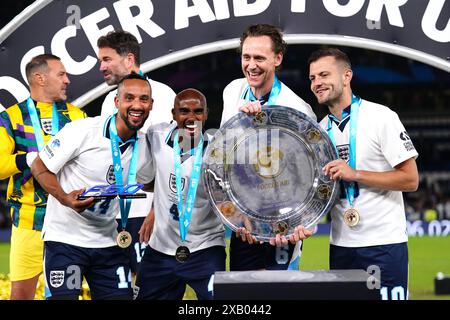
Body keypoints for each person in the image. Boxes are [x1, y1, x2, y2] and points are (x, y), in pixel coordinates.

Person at [308, 48, 419, 300]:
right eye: (312, 78)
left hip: (384, 245)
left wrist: (355, 174)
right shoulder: (317, 132)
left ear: (347, 76)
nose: (317, 83)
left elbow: (410, 179)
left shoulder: (381, 117)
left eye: (324, 75)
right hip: (341, 246)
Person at [30, 73, 153, 300]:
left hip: (109, 244)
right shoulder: (83, 131)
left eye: (144, 99)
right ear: (117, 102)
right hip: (67, 242)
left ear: (151, 105)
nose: (137, 105)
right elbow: (39, 166)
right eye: (129, 98)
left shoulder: (145, 145)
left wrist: (155, 212)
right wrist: (64, 197)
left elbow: (153, 182)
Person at [220, 24, 315, 271]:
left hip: (281, 225)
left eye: (259, 58)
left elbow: (308, 174)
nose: (251, 65)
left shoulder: (297, 110)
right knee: (243, 298)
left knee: (279, 290)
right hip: (245, 224)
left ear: (277, 58)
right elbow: (223, 156)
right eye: (246, 57)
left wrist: (304, 221)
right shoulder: (232, 91)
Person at [0, 54, 86, 300]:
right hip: (29, 223)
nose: (67, 80)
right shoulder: (10, 118)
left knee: (66, 296)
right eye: (61, 74)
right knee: (21, 296)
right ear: (40, 78)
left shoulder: (77, 117)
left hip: (69, 223)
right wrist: (26, 159)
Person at [135, 88, 226, 300]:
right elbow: (149, 181)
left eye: (198, 111)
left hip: (206, 246)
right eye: (184, 111)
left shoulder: (217, 150)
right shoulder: (156, 136)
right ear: (174, 114)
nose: (191, 117)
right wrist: (155, 209)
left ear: (206, 114)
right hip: (160, 249)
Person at [97, 30, 176, 274]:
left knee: (150, 286)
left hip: (148, 213)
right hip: (116, 213)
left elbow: (171, 162)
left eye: (106, 59)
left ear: (129, 60)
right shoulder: (109, 100)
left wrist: (156, 211)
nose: (101, 67)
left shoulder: (162, 96)